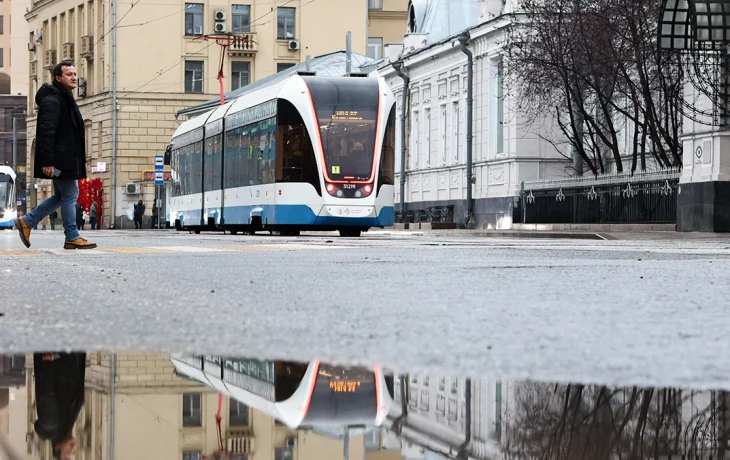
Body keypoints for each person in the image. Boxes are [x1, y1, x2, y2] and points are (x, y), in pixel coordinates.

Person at [12, 61, 96, 250]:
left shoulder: (63, 98)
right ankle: (72, 236)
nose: (74, 77)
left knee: (62, 195)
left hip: (66, 157)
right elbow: (47, 132)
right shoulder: (53, 101)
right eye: (69, 75)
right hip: (60, 158)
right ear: (58, 78)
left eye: (75, 74)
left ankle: (27, 221)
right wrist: (48, 161)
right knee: (70, 194)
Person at [33, 352, 86, 460]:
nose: (73, 449)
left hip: (60, 354)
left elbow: (47, 393)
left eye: (68, 453)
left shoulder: (50, 424)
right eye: (74, 453)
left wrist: (48, 363)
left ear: (57, 447)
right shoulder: (66, 424)